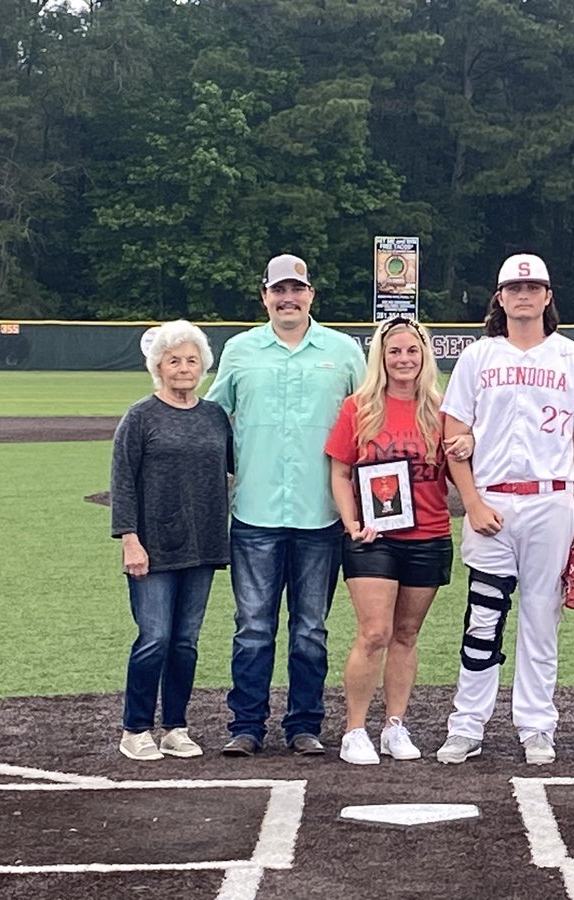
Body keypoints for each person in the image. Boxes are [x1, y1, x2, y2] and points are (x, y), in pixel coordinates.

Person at [434, 253, 574, 766]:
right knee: (483, 616)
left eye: (533, 287)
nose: (524, 295)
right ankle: (467, 724)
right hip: (492, 501)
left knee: (541, 618)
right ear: (501, 297)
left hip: (551, 500)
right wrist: (471, 501)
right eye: (514, 287)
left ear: (548, 296)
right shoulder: (478, 356)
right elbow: (452, 435)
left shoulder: (573, 357)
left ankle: (536, 724)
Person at [205, 253, 366, 757]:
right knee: (252, 626)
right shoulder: (240, 350)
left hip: (321, 515)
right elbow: (211, 418)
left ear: (311, 294)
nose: (288, 298)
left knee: (310, 629)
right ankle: (246, 726)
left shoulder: (341, 352)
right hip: (254, 513)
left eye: (297, 289)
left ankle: (304, 725)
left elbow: (370, 418)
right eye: (279, 290)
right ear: (265, 295)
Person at [324, 317, 474, 764]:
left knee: (406, 634)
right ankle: (354, 730)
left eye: (412, 351)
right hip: (373, 538)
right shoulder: (360, 406)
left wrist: (468, 443)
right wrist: (351, 524)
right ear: (381, 357)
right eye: (395, 352)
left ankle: (394, 725)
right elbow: (340, 471)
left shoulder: (442, 409)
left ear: (425, 355)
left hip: (428, 534)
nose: (404, 359)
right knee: (374, 633)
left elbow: (459, 471)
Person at [110, 320, 232, 761]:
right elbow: (122, 482)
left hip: (203, 546)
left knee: (186, 641)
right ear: (158, 366)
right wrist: (129, 538)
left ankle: (175, 727)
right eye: (174, 360)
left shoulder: (214, 416)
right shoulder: (141, 417)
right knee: (154, 637)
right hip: (153, 547)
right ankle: (135, 728)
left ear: (203, 366)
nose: (183, 368)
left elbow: (232, 471)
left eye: (192, 360)